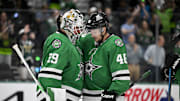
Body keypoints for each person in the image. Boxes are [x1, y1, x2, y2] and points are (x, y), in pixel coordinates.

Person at [79, 12, 130, 101]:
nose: (92, 34)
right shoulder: (88, 40)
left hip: (109, 97)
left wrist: (113, 92)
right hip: (88, 97)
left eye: (94, 31)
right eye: (91, 31)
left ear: (103, 29)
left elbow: (122, 78)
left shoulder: (115, 43)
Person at [37, 9, 85, 101]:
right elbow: (50, 75)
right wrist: (52, 97)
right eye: (77, 24)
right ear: (68, 25)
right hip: (60, 97)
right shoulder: (59, 41)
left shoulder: (68, 42)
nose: (79, 28)